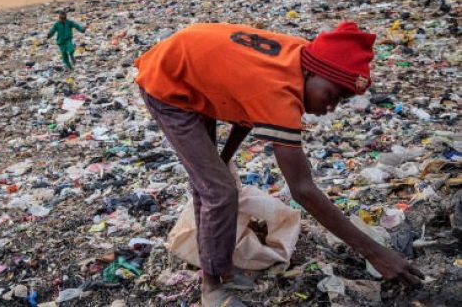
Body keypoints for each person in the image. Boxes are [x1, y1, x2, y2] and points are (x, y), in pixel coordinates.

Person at [134, 22, 424, 307]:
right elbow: (302, 190)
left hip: (195, 68)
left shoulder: (300, 57)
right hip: (167, 81)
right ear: (312, 73)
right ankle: (212, 287)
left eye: (339, 102)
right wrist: (373, 252)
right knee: (219, 192)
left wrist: (223, 159)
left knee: (214, 185)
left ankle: (219, 266)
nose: (330, 108)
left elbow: (248, 109)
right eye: (332, 96)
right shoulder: (278, 92)